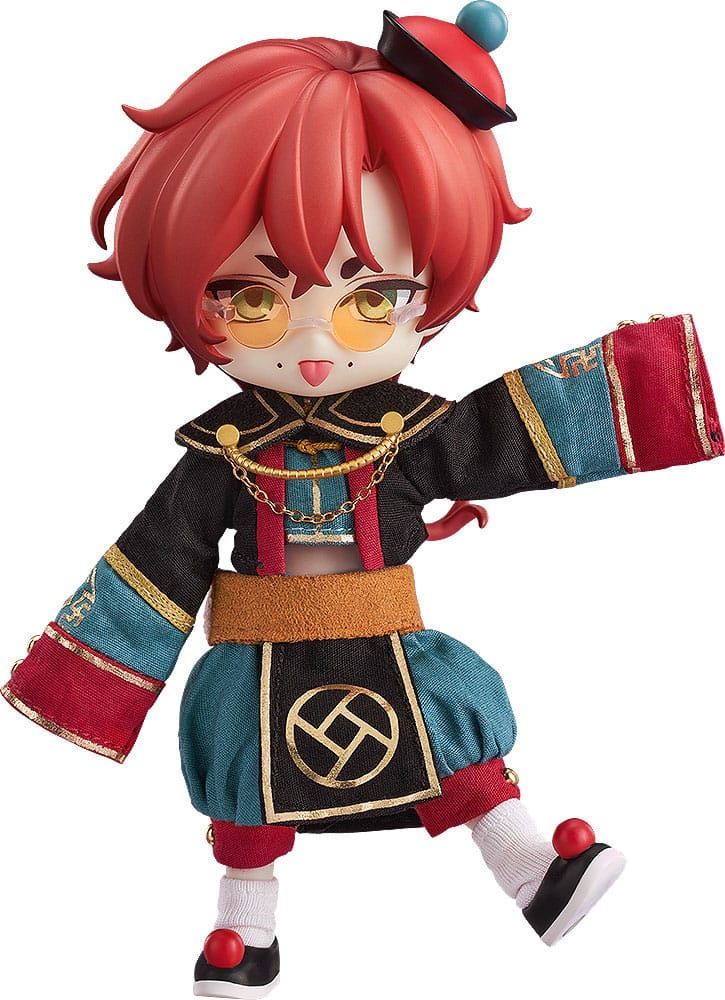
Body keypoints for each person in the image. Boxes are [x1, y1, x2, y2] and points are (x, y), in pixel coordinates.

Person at [3, 7, 721, 997]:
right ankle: (243, 933)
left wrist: (647, 388)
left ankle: (532, 875)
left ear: (431, 291)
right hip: (259, 661)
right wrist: (83, 682)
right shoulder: (218, 457)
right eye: (255, 299)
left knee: (456, 743)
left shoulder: (402, 436)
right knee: (246, 780)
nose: (314, 342)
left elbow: (514, 430)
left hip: (384, 639)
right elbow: (154, 564)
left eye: (370, 298)